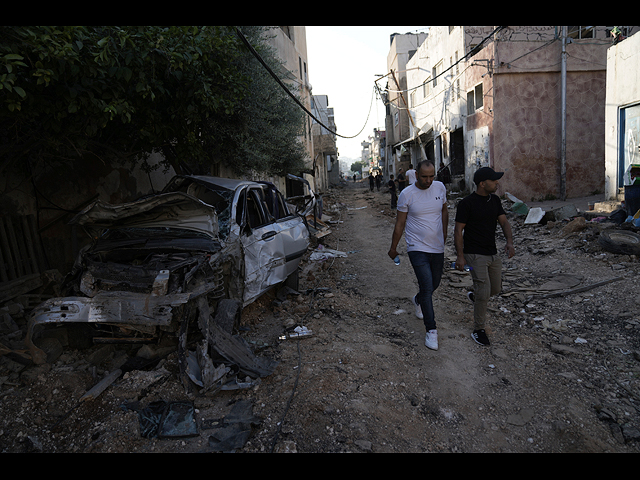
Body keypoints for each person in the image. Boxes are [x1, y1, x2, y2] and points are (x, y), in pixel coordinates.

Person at [388, 161, 448, 350]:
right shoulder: (407, 194)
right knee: (427, 286)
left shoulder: (439, 187)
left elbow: (444, 211)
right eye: (424, 177)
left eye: (432, 176)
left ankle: (418, 299)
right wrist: (393, 247)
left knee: (434, 283)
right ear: (416, 174)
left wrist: (444, 235)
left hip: (437, 247)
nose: (429, 180)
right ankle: (431, 330)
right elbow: (400, 224)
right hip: (417, 247)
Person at [454, 167, 515, 346]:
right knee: (483, 291)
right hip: (473, 253)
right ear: (482, 183)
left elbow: (503, 222)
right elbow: (458, 230)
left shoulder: (495, 200)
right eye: (494, 180)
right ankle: (479, 329)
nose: (497, 183)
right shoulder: (467, 203)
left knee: (494, 289)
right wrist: (460, 256)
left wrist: (509, 242)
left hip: (492, 252)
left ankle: (475, 295)